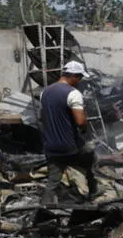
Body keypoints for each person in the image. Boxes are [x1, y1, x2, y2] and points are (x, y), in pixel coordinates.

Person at [41, 60, 98, 204]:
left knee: (52, 181)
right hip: (69, 146)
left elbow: (43, 117)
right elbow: (80, 121)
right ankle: (92, 194)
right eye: (79, 78)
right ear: (73, 76)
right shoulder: (73, 93)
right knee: (90, 158)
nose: (79, 81)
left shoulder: (45, 92)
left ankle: (45, 208)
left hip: (50, 146)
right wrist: (85, 127)